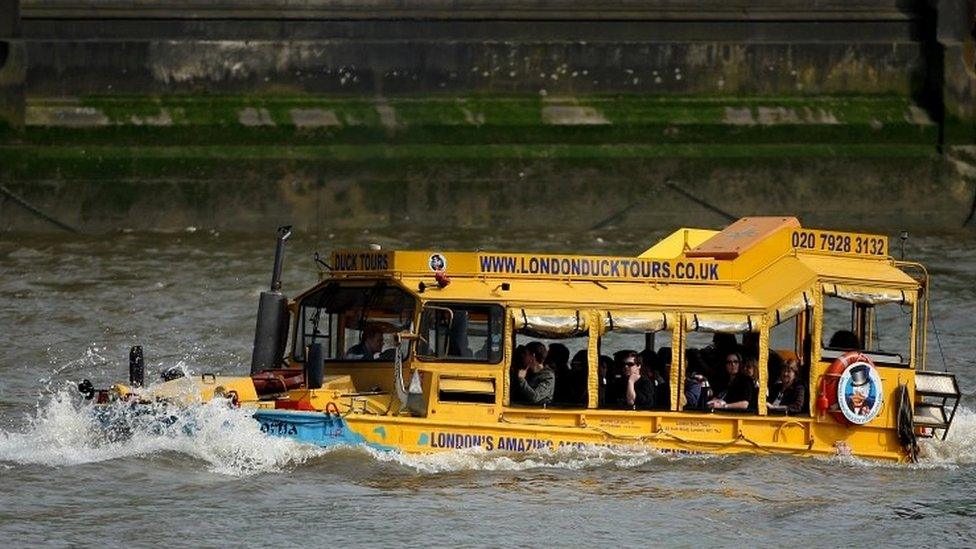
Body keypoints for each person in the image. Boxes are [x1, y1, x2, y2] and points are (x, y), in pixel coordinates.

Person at [513, 341, 555, 406]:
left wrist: (521, 380)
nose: (523, 356)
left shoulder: (548, 376)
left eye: (526, 354)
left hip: (539, 412)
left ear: (533, 356)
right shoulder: (527, 371)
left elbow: (535, 397)